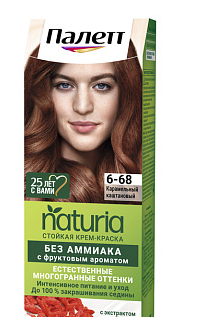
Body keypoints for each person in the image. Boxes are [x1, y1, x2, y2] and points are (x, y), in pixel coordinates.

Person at [24, 41, 142, 203]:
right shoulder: (27, 182)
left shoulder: (143, 176)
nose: (82, 107)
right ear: (43, 93)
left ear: (127, 93)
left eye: (101, 86)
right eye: (64, 85)